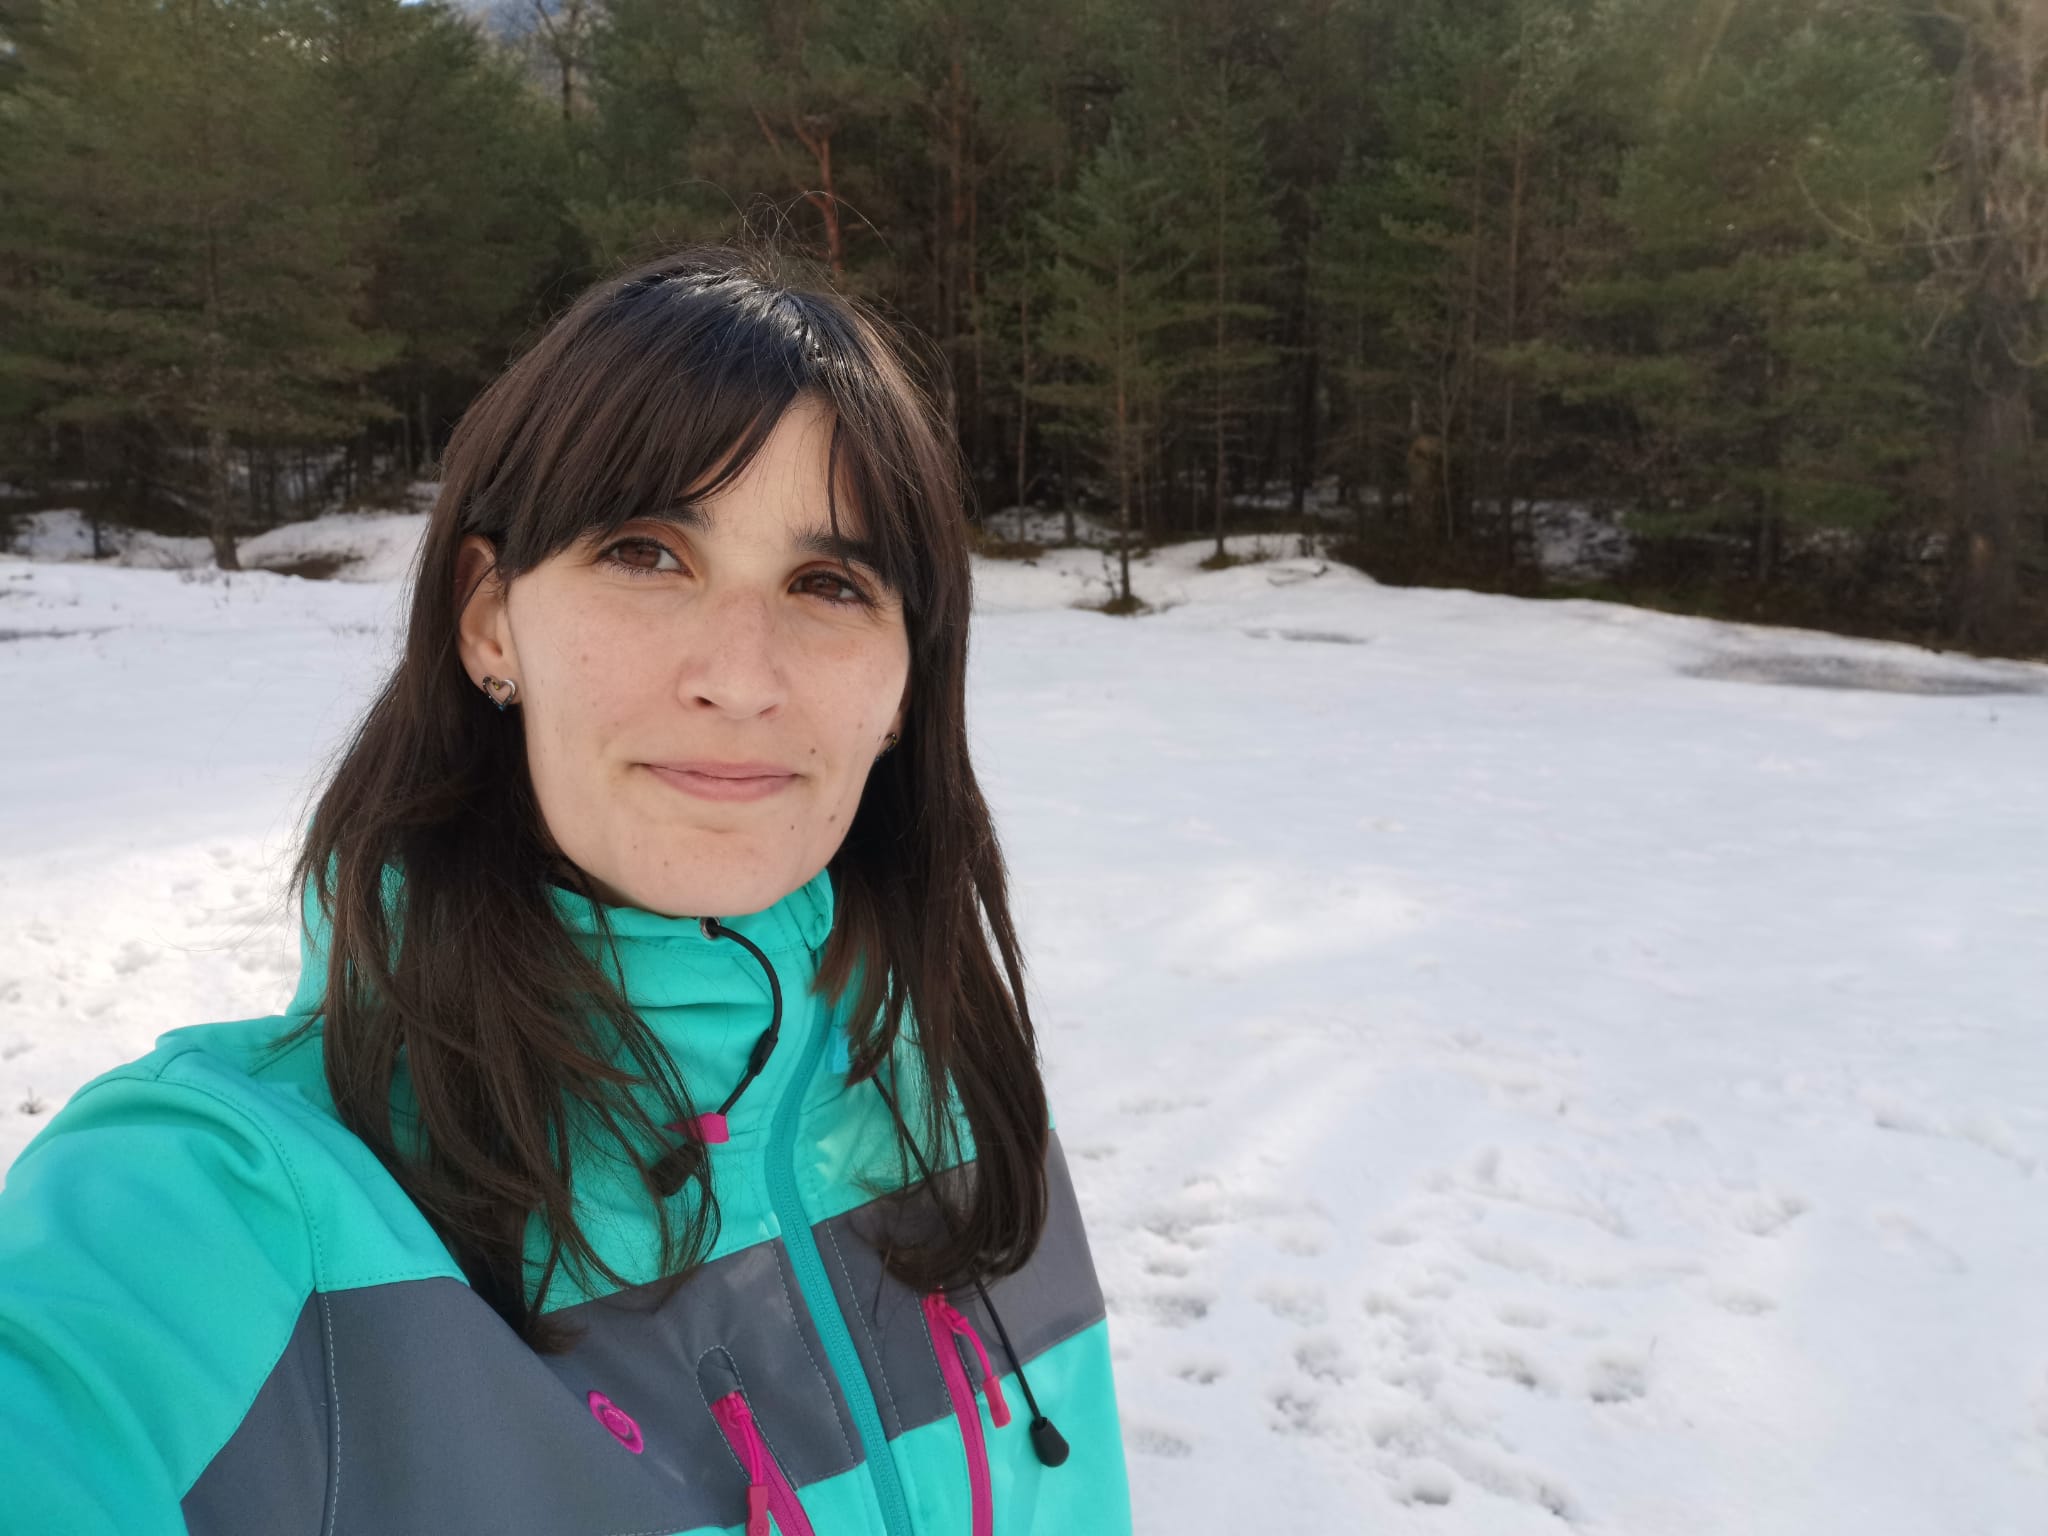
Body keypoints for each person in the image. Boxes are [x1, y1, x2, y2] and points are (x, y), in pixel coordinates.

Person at [0, 245, 1132, 1536]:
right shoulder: (223, 1208)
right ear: (491, 619)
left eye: (829, 584)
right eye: (648, 554)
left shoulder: (952, 1088)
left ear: (905, 684)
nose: (740, 678)